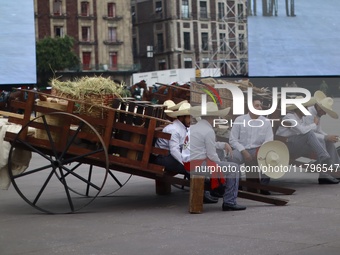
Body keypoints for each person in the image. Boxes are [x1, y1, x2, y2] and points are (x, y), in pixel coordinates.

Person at [189, 102, 246, 211]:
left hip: (191, 162)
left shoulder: (195, 127)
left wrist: (223, 145)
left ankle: (222, 190)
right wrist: (220, 167)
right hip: (199, 165)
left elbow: (208, 145)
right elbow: (212, 155)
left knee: (223, 158)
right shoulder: (208, 131)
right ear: (212, 118)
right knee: (234, 168)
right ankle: (230, 201)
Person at [275, 97, 339, 184]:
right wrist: (315, 125)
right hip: (287, 144)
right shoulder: (291, 117)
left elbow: (313, 131)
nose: (307, 109)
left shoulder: (300, 118)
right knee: (316, 137)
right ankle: (324, 160)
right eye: (305, 108)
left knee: (326, 141)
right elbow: (304, 131)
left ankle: (334, 166)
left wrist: (327, 137)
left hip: (297, 141)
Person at [229, 96, 273, 193]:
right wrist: (243, 151)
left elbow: (269, 140)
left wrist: (259, 151)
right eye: (257, 106)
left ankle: (264, 187)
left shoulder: (266, 122)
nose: (260, 108)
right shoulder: (239, 120)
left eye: (260, 106)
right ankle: (238, 184)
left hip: (258, 150)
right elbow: (232, 140)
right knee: (232, 158)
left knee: (268, 156)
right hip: (242, 149)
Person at [153, 103, 191, 179]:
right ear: (182, 117)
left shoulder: (182, 127)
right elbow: (174, 151)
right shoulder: (174, 129)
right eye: (189, 117)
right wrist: (186, 163)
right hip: (163, 158)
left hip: (169, 156)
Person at [304, 91, 340, 168]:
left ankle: (335, 164)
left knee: (329, 142)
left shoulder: (317, 114)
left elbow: (319, 131)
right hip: (305, 139)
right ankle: (329, 164)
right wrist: (326, 137)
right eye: (325, 111)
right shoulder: (308, 114)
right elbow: (308, 133)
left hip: (312, 137)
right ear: (319, 108)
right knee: (325, 141)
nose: (325, 114)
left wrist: (329, 136)